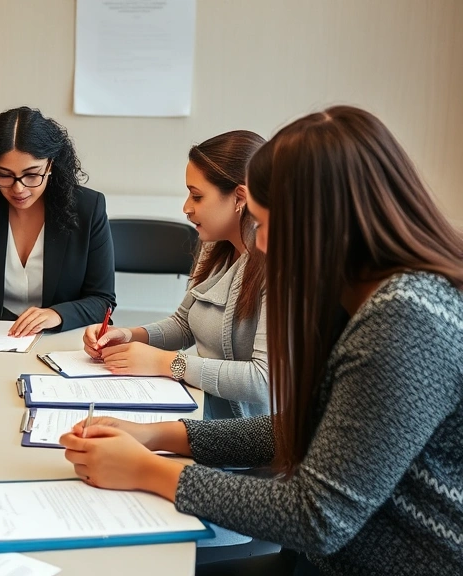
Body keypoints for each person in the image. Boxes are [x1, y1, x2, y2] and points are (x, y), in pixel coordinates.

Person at [61, 106, 463, 575]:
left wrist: (148, 470)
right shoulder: (361, 299)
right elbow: (296, 429)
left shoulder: (404, 322)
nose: (264, 244)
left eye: (269, 224)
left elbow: (316, 516)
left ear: (325, 222)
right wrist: (153, 435)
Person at [84, 131, 269, 419]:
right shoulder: (214, 246)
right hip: (202, 410)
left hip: (247, 441)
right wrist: (129, 336)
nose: (186, 207)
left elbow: (263, 381)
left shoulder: (280, 270)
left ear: (239, 198)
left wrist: (168, 363)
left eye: (197, 195)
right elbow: (184, 325)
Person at [0, 106, 115, 336]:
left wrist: (56, 314)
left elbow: (103, 301)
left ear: (50, 165)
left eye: (32, 174)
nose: (18, 188)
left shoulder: (88, 208)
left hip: (58, 338)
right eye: (4, 175)